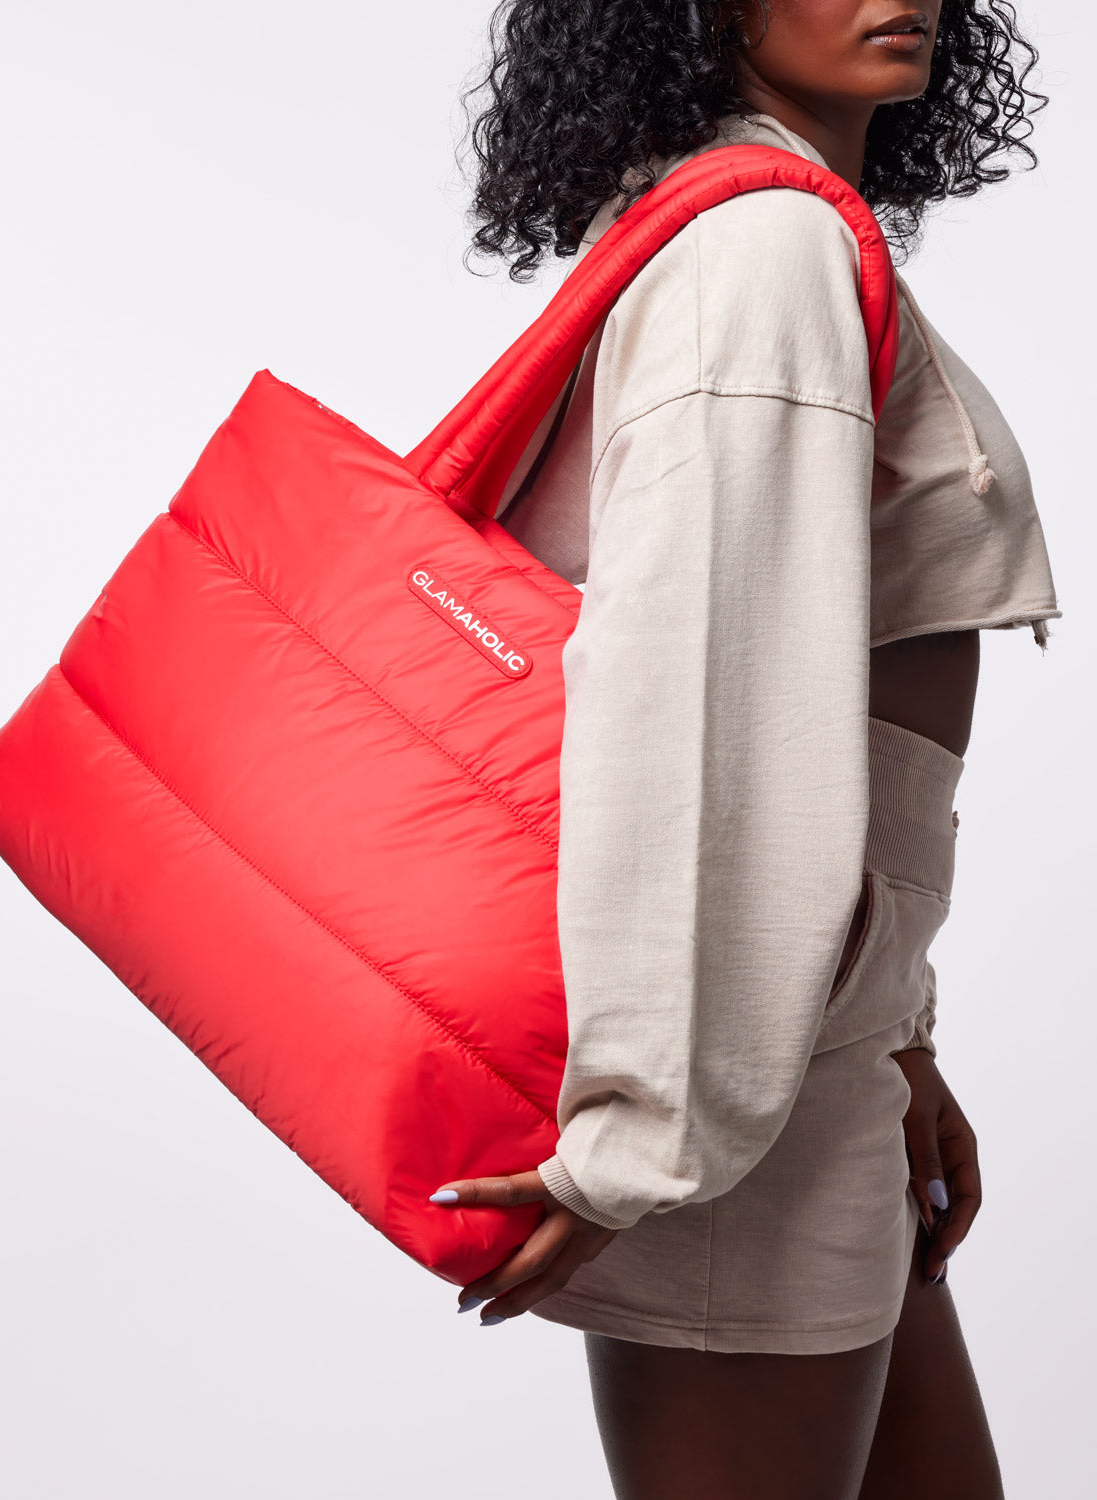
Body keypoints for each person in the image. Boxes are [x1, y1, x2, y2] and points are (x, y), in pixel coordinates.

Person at [427, 3, 1061, 1494]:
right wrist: (645, 1130)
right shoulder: (760, 251)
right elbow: (694, 695)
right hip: (724, 1079)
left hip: (794, 1041)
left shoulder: (781, 227)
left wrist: (900, 1039)